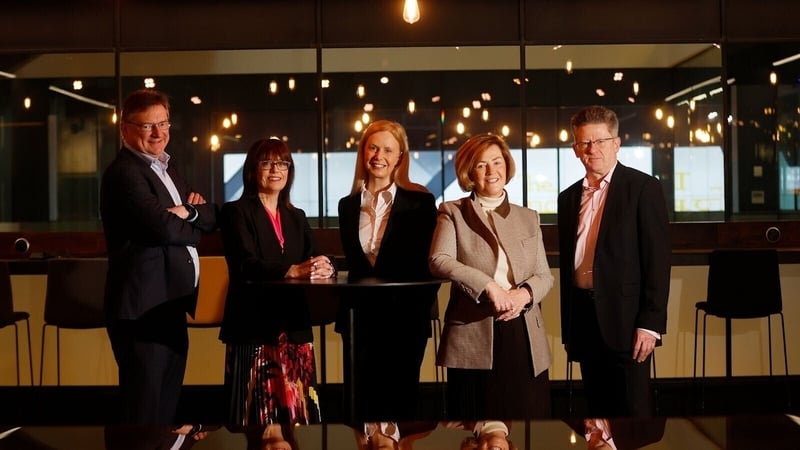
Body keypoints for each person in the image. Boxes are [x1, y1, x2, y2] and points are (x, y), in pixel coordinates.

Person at [100, 88, 218, 424]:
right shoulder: (124, 173)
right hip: (142, 311)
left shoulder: (167, 168)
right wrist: (187, 216)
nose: (158, 133)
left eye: (164, 123)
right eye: (147, 126)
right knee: (144, 413)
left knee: (166, 412)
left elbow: (209, 215)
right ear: (125, 129)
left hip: (168, 305)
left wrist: (186, 213)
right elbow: (163, 228)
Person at [429, 133, 553, 420]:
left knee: (526, 423)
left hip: (523, 332)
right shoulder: (453, 212)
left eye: (497, 162)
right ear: (469, 172)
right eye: (481, 165)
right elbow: (439, 260)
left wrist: (523, 295)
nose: (491, 171)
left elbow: (544, 276)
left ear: (507, 166)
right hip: (473, 331)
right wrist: (487, 286)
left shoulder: (528, 217)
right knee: (475, 424)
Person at [557, 105, 671, 417]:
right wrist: (569, 328)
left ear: (616, 143)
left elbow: (658, 261)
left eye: (600, 141)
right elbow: (569, 265)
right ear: (575, 149)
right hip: (583, 317)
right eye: (584, 143)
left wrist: (651, 323)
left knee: (631, 414)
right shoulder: (567, 199)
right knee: (596, 416)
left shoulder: (643, 188)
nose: (592, 149)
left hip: (628, 321)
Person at [218, 137, 332, 427]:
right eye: (267, 163)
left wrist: (324, 265)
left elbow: (314, 255)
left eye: (283, 163)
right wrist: (291, 271)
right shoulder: (236, 212)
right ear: (252, 170)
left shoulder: (297, 216)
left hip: (294, 326)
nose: (275, 170)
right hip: (254, 327)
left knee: (302, 423)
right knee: (255, 424)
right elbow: (245, 263)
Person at [337, 120, 439, 420]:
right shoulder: (347, 205)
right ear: (363, 153)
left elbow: (431, 264)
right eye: (373, 147)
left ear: (399, 157)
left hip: (405, 321)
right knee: (359, 411)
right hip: (358, 321)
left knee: (402, 406)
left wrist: (416, 309)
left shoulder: (421, 203)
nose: (379, 155)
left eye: (388, 150)